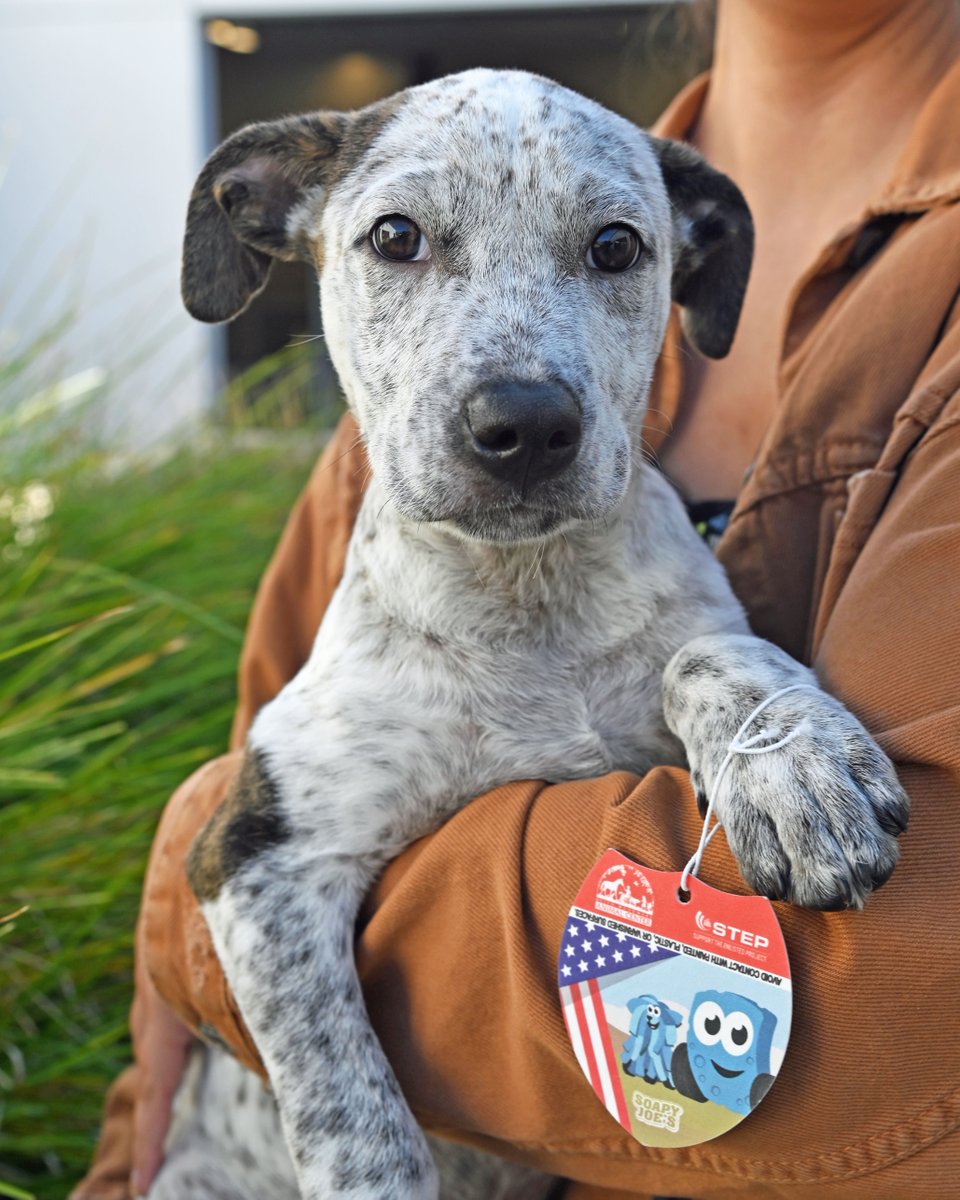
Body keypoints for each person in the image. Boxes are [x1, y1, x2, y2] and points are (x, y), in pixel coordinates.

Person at [74, 1, 960, 1197]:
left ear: (690, 257)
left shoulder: (677, 219)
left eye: (605, 255)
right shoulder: (367, 468)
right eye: (401, 242)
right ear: (284, 224)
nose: (520, 393)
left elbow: (895, 1001)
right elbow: (238, 923)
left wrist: (198, 841)